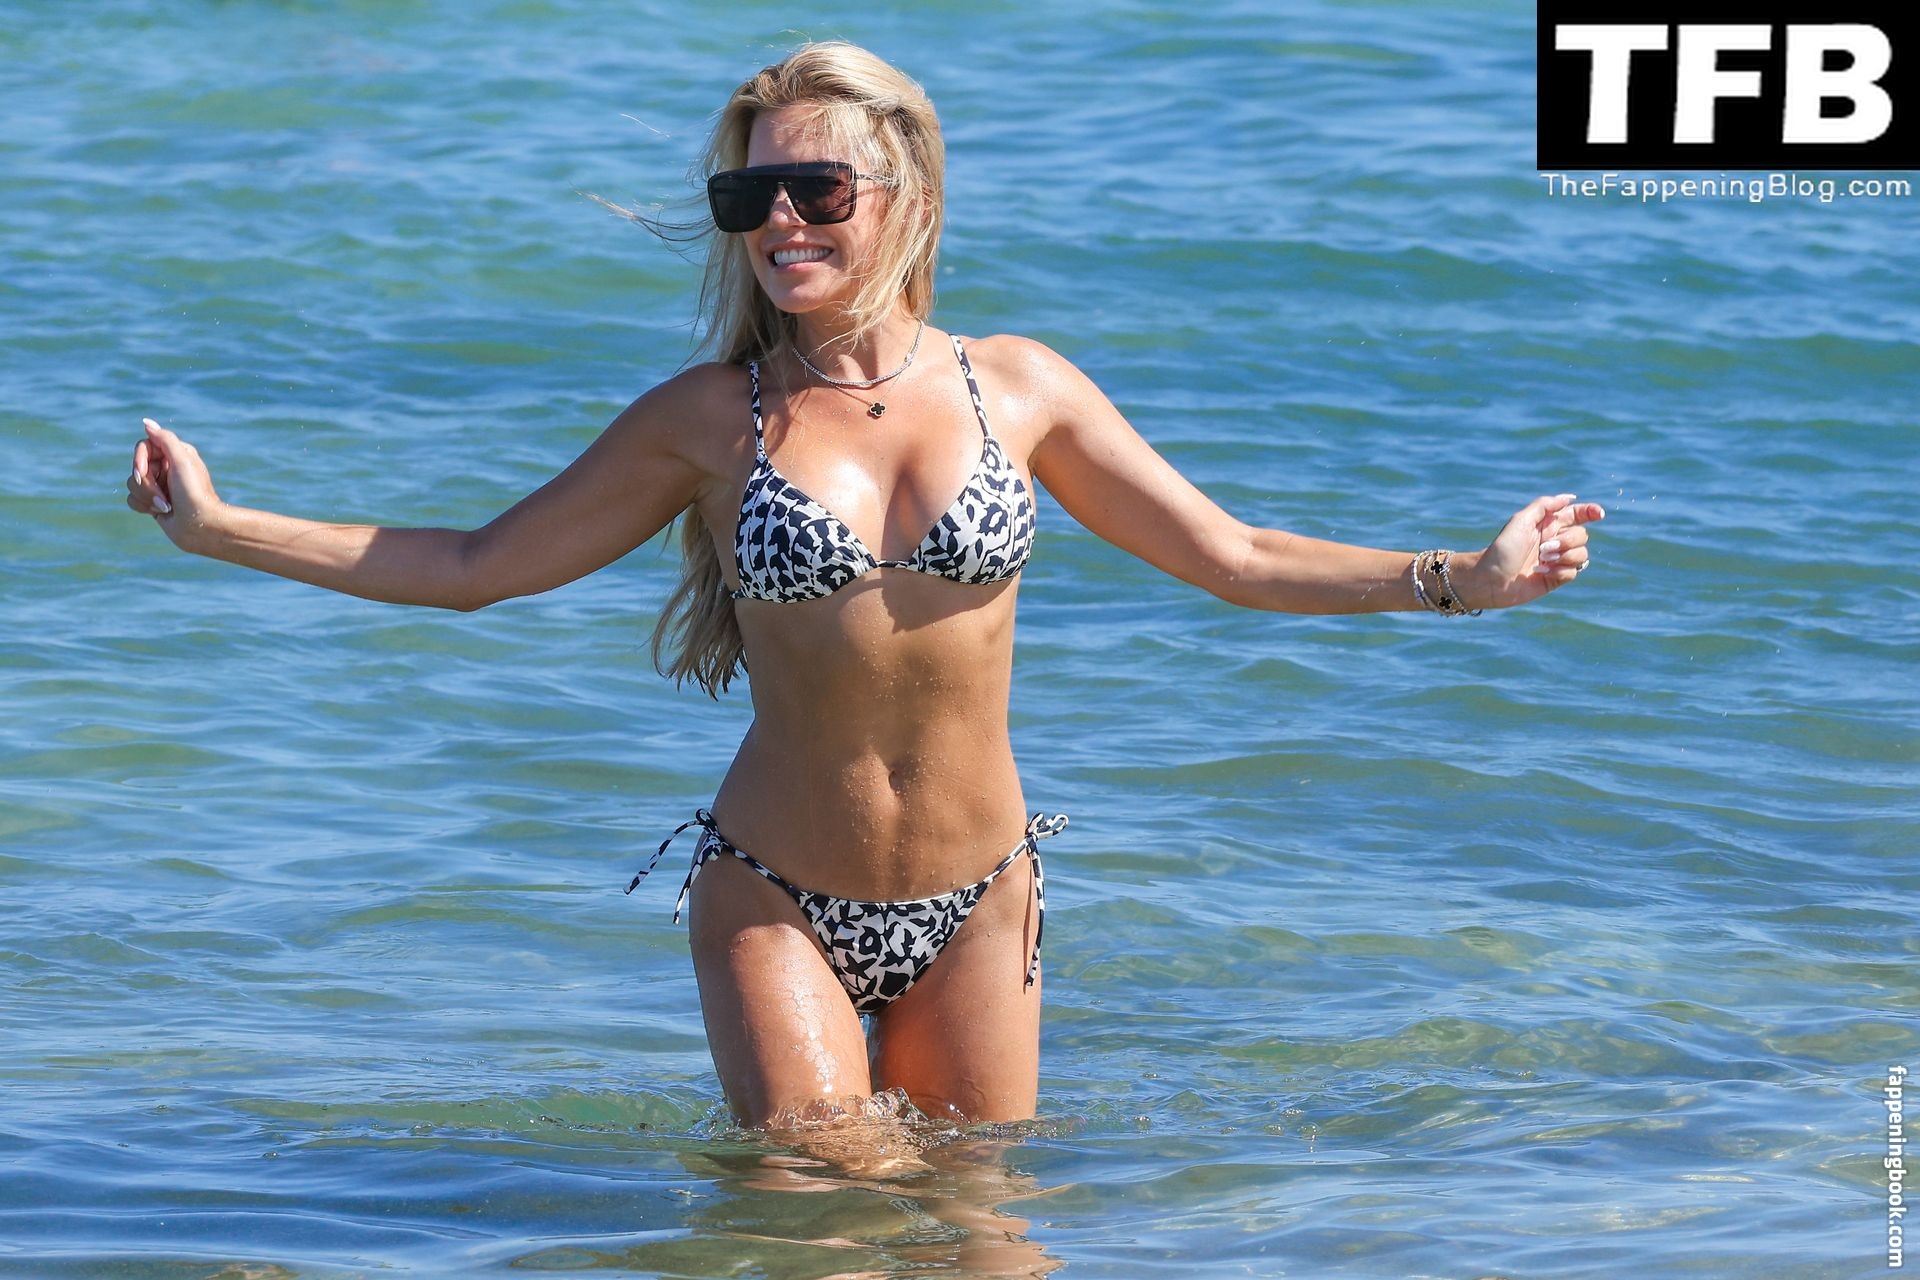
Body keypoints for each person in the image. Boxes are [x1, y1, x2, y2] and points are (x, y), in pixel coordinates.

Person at [124, 40, 1602, 1132]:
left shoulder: (1018, 387)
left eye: (816, 187)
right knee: (830, 1195)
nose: (782, 221)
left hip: (981, 897)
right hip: (775, 891)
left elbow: (1235, 556)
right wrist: (221, 528)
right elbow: (472, 568)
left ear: (906, 194)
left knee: (985, 1235)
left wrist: (1459, 580)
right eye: (750, 193)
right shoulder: (709, 421)